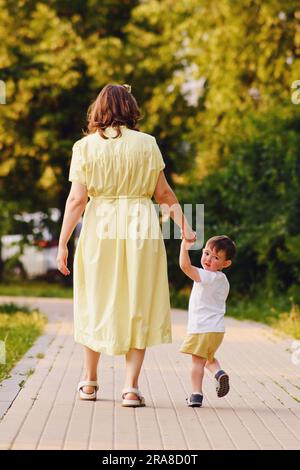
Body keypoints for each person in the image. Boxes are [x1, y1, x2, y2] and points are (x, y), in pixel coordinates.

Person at [56, 83, 196, 406]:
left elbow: (77, 199)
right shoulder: (147, 144)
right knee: (137, 301)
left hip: (99, 227)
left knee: (95, 299)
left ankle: (89, 382)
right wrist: (187, 228)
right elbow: (163, 195)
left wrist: (63, 242)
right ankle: (130, 388)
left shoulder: (84, 147)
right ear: (131, 108)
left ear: (98, 110)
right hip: (140, 227)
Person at [179, 235, 236, 407]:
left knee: (197, 362)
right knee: (208, 359)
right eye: (206, 253)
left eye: (216, 257)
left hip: (202, 328)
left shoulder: (207, 276)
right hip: (217, 330)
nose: (208, 259)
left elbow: (185, 266)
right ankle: (219, 373)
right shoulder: (223, 280)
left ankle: (196, 394)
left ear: (225, 264)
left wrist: (184, 246)